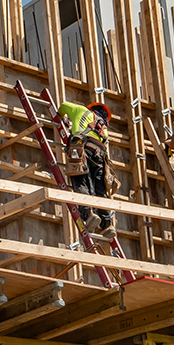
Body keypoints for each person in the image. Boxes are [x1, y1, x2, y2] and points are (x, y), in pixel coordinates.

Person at [55, 100, 119, 240]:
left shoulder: (81, 111)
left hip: (81, 149)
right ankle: (107, 224)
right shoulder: (104, 129)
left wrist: (62, 117)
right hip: (100, 157)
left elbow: (63, 107)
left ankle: (89, 215)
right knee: (100, 190)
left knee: (81, 182)